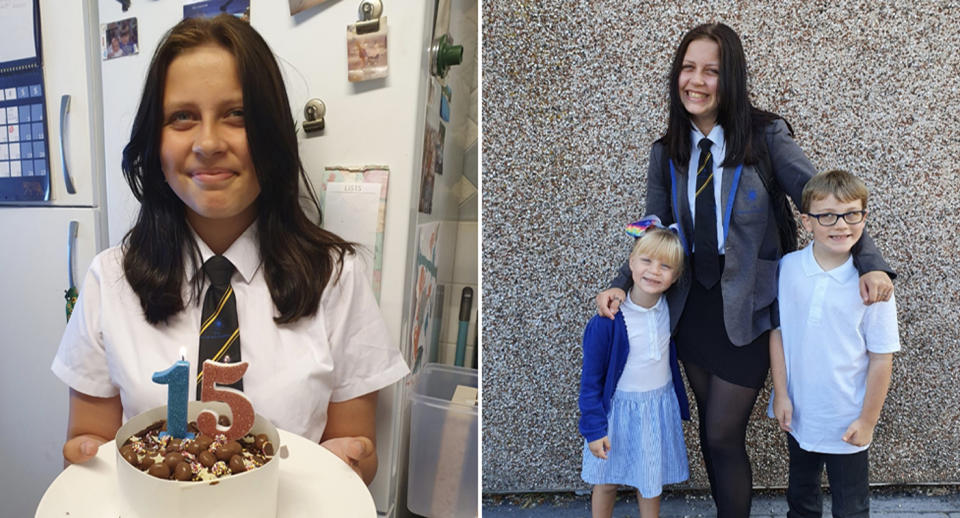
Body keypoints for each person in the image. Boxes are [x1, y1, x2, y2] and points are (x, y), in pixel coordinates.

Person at [51, 15, 409, 484]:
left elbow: (356, 460)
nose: (208, 143)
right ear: (154, 142)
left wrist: (351, 459)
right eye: (182, 117)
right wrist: (81, 458)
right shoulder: (108, 282)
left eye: (237, 114)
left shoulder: (337, 278)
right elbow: (87, 455)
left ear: (273, 132)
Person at [593, 23, 895, 517]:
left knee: (722, 431)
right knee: (713, 439)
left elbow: (822, 199)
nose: (696, 80)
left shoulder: (765, 136)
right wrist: (621, 281)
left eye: (710, 70)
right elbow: (653, 228)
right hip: (692, 309)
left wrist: (870, 263)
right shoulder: (665, 149)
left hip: (751, 311)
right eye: (688, 68)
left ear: (730, 78)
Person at [768, 170, 898, 517]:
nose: (840, 225)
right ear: (807, 221)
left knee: (851, 507)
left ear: (864, 217)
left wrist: (868, 420)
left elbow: (881, 358)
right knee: (801, 499)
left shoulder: (874, 285)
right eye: (827, 216)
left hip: (848, 418)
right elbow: (778, 334)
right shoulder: (789, 269)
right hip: (799, 414)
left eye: (851, 214)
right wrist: (780, 394)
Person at [579, 217, 691, 518]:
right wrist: (593, 429)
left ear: (676, 275)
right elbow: (590, 381)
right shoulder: (609, 321)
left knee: (650, 482)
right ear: (631, 263)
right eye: (646, 261)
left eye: (665, 266)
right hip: (617, 412)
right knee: (606, 481)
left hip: (656, 409)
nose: (654, 271)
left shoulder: (671, 309)